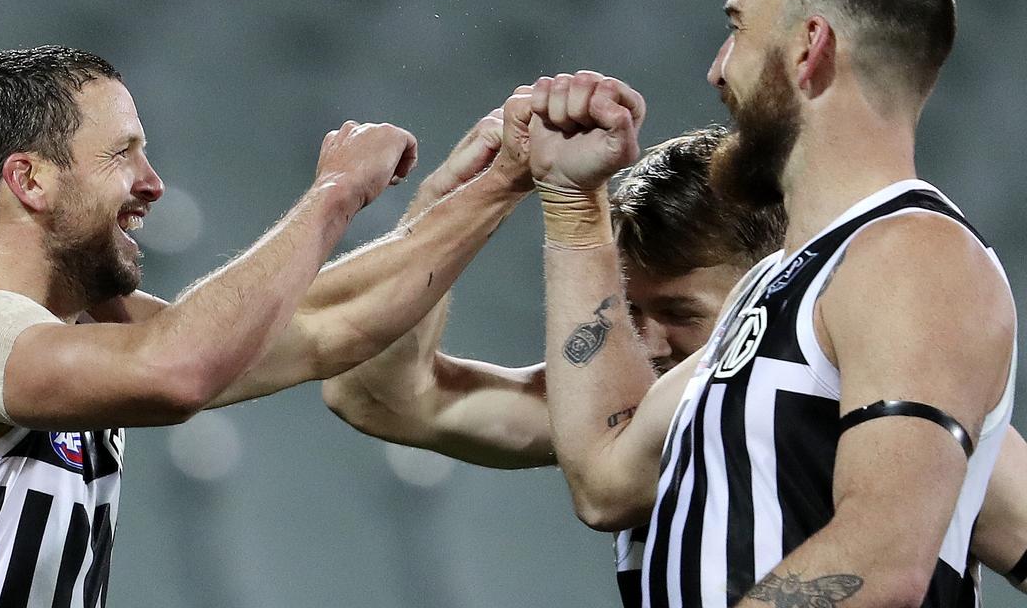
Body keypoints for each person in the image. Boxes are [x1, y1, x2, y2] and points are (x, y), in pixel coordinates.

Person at [0, 45, 534, 607]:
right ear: (31, 181)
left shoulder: (88, 336)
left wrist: (487, 189)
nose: (152, 182)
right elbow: (178, 370)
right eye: (123, 153)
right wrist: (334, 194)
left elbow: (328, 326)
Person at [526, 0, 1016, 608]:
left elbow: (882, 560)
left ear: (808, 47)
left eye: (736, 30)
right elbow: (606, 480)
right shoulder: (777, 283)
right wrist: (573, 206)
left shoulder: (917, 256)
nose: (717, 70)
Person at [324, 118, 1027, 601]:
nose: (649, 343)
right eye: (630, 312)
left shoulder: (896, 406)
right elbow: (380, 394)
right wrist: (460, 201)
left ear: (773, 287)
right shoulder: (627, 409)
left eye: (681, 314)